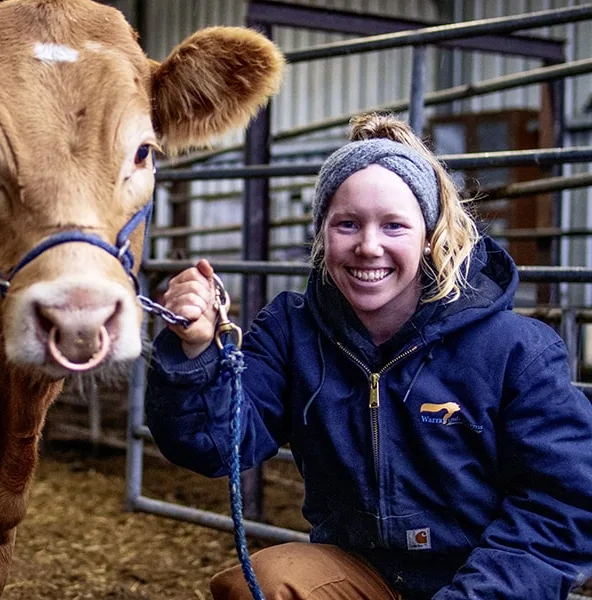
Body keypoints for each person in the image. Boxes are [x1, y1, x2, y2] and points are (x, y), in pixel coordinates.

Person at [144, 113, 592, 600]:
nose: (368, 246)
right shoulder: (294, 333)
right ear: (322, 235)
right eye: (348, 224)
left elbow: (562, 502)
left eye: (394, 226)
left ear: (431, 236)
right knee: (260, 586)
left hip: (483, 576)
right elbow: (215, 445)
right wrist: (195, 352)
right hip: (364, 571)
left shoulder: (515, 350)